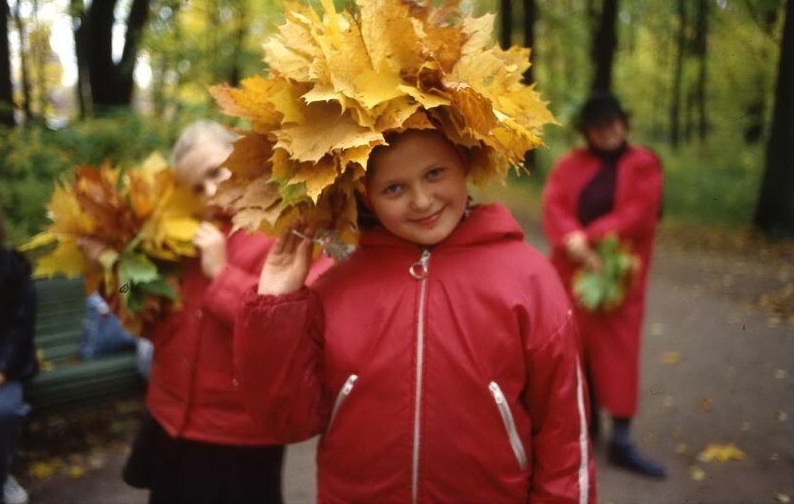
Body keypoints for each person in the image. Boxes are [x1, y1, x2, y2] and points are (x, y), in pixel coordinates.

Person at [234, 129, 595, 502]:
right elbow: (286, 421)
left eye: (435, 173)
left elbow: (565, 439)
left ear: (464, 162)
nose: (422, 201)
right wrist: (275, 304)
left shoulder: (529, 279)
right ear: (365, 196)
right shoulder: (335, 283)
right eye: (394, 189)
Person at [119, 120, 329, 503]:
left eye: (217, 171)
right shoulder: (176, 239)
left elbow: (294, 335)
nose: (212, 191)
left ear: (243, 156)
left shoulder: (286, 230)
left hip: (239, 436)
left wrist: (221, 274)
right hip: (170, 422)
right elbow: (148, 325)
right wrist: (117, 272)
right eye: (197, 188)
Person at [541, 91, 666, 479]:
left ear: (624, 124)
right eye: (598, 127)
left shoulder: (643, 163)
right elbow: (554, 204)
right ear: (587, 132)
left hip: (618, 277)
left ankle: (622, 441)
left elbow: (639, 213)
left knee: (619, 354)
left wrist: (590, 237)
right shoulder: (570, 164)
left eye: (612, 124)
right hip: (573, 273)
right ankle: (586, 429)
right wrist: (571, 240)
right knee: (574, 351)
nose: (607, 133)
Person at [0, 202, 37, 504]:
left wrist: (0, 371)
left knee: (2, 412)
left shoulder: (12, 268)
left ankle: (2, 475)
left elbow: (20, 329)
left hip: (5, 366)